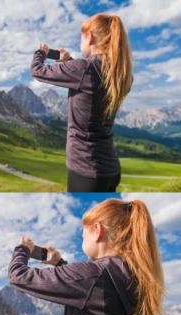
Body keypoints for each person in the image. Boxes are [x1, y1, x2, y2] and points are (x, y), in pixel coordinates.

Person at [9, 198, 164, 315]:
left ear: (97, 231)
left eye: (83, 234)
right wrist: (59, 264)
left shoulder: (94, 275)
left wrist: (23, 249)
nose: (83, 238)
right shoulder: (133, 276)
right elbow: (93, 292)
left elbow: (17, 276)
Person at [31, 14, 133, 192]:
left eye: (81, 36)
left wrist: (42, 52)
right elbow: (91, 84)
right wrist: (68, 62)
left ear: (90, 37)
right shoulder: (121, 75)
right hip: (110, 169)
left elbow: (37, 70)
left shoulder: (84, 69)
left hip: (85, 170)